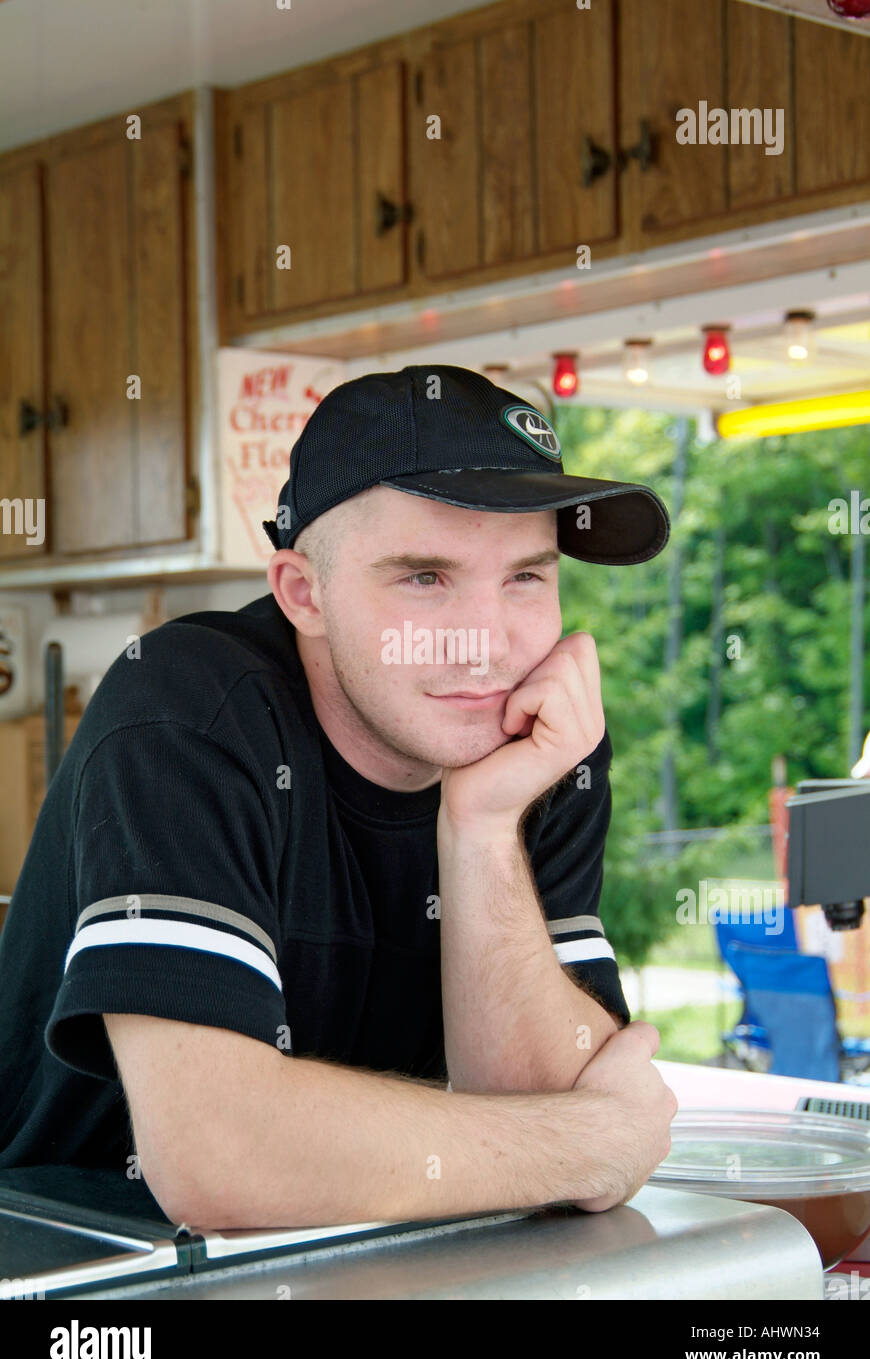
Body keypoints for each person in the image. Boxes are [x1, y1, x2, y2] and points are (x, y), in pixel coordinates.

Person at [0, 365, 677, 1229]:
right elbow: (220, 1158)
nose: (489, 646)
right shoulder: (186, 709)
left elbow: (545, 1115)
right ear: (303, 594)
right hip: (87, 1270)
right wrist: (590, 1138)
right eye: (425, 577)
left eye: (526, 578)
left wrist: (481, 826)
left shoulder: (539, 738)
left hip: (383, 1261)